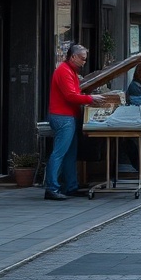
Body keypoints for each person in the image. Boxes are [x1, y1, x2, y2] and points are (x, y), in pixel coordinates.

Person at [44, 44, 105, 201]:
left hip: (67, 116)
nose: (84, 62)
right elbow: (70, 96)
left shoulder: (69, 71)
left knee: (70, 154)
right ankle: (51, 188)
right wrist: (91, 98)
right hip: (63, 117)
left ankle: (71, 186)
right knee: (60, 153)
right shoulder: (64, 71)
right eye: (82, 59)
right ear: (73, 57)